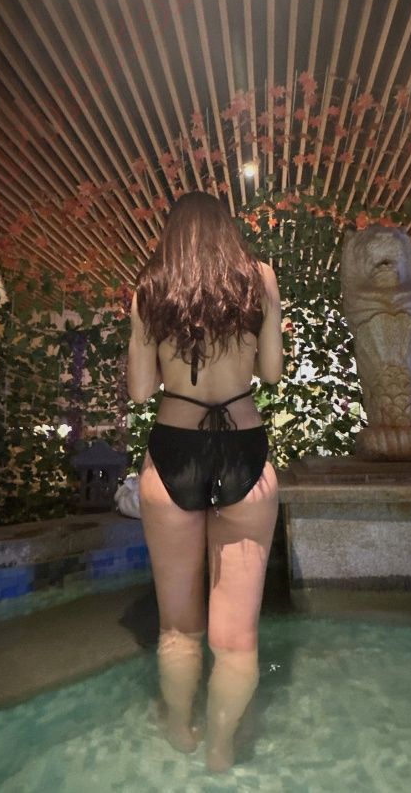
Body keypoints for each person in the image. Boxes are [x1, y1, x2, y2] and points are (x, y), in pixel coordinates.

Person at [126, 190, 283, 772]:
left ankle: (180, 728)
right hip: (244, 446)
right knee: (237, 638)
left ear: (172, 234)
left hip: (174, 446)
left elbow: (140, 391)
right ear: (226, 230)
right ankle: (221, 749)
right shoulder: (258, 277)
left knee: (177, 629)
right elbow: (271, 373)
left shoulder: (150, 287)